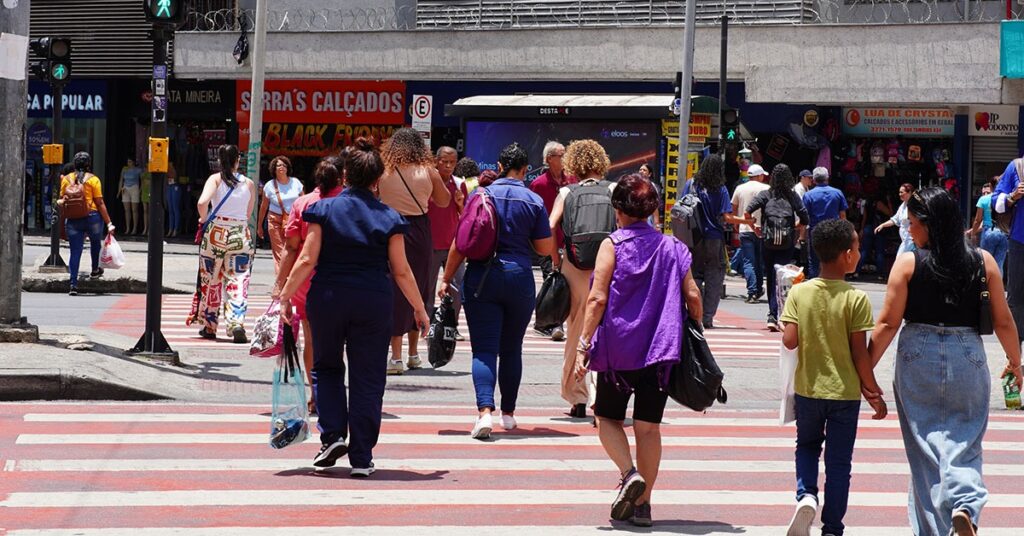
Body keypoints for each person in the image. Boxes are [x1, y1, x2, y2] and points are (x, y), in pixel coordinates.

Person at [869, 187, 1022, 536]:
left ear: (930, 224)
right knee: (965, 438)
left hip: (917, 355)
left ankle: (934, 529)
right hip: (967, 353)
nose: (909, 231)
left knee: (924, 448)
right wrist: (1016, 362)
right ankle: (965, 503)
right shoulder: (983, 261)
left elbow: (888, 323)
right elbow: (1003, 321)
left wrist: (863, 371)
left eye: (912, 223)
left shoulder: (908, 263)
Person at [279, 138, 429, 477]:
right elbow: (401, 271)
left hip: (328, 297)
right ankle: (361, 457)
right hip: (373, 301)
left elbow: (307, 258)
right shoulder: (389, 217)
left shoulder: (323, 210)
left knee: (327, 367)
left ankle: (332, 436)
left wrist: (284, 296)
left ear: (345, 175)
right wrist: (419, 309)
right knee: (368, 376)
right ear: (377, 180)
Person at [574, 173, 703, 528]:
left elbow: (597, 298)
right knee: (648, 429)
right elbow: (693, 296)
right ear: (651, 211)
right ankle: (644, 506)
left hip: (617, 353)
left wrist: (583, 344)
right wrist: (695, 326)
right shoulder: (673, 247)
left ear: (618, 209)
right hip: (659, 353)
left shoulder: (612, 245)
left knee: (606, 419)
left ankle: (629, 474)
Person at [438, 142, 555, 439]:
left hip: (482, 278)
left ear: (500, 167)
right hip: (519, 277)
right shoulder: (533, 200)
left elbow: (460, 243)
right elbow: (545, 248)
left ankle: (484, 413)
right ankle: (509, 414)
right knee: (512, 348)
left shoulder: (480, 195)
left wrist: (446, 278)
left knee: (484, 349)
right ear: (525, 170)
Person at [780, 218, 886, 536]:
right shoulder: (856, 298)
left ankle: (806, 496)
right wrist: (873, 391)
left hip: (808, 390)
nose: (858, 253)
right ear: (846, 255)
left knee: (807, 446)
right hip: (844, 395)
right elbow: (859, 353)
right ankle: (832, 527)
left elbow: (789, 341)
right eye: (857, 248)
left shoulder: (800, 292)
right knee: (839, 463)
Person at [273, 154, 346, 415]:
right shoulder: (349, 202)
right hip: (342, 280)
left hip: (307, 282)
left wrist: (281, 285)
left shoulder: (303, 203)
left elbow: (291, 248)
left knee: (312, 339)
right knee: (339, 341)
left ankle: (316, 395)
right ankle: (334, 393)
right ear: (342, 177)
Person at [548, 139, 616, 419]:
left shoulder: (566, 192)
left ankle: (577, 397)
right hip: (608, 266)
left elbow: (551, 225)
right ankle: (601, 396)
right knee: (604, 331)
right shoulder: (613, 189)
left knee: (576, 329)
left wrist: (555, 258)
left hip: (573, 266)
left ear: (573, 164)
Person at [378, 128, 452, 375]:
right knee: (419, 288)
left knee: (395, 291)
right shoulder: (427, 170)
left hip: (389, 228)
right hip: (419, 230)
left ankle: (395, 356)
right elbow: (444, 200)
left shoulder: (384, 170)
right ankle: (413, 354)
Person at [189, 144, 257, 344]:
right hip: (240, 233)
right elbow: (248, 213)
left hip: (215, 233)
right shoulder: (249, 184)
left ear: (219, 160)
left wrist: (203, 219)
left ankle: (209, 325)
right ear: (238, 160)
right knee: (238, 279)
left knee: (211, 279)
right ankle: (236, 323)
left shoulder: (215, 179)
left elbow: (202, 203)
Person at [745, 163, 808, 331]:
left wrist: (755, 228)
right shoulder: (793, 196)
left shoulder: (766, 194)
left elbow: (747, 212)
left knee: (771, 277)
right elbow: (805, 218)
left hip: (768, 241)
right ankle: (781, 314)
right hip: (786, 243)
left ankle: (772, 315)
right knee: (782, 277)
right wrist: (794, 227)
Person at [529, 141, 576, 341]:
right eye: (561, 155)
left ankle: (550, 321)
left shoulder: (572, 180)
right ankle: (555, 323)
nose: (565, 158)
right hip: (547, 241)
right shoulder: (538, 184)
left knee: (568, 283)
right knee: (553, 278)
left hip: (569, 240)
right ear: (549, 159)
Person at [682, 154, 733, 329]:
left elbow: (681, 207)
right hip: (714, 238)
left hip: (692, 237)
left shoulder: (691, 184)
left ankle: (694, 313)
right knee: (714, 278)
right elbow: (726, 216)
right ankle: (707, 317)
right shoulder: (721, 189)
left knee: (694, 275)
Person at [58, 152, 116, 296]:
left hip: (73, 219)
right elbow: (99, 202)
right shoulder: (94, 180)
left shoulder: (66, 179)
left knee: (75, 251)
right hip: (92, 217)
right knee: (95, 243)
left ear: (74, 164)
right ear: (89, 165)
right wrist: (109, 223)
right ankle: (95, 269)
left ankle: (73, 284)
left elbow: (62, 200)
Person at [427, 147, 468, 340]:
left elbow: (466, 216)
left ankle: (452, 326)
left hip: (453, 246)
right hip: (430, 244)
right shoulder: (427, 182)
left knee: (457, 288)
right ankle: (427, 325)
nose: (449, 165)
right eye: (445, 161)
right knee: (427, 289)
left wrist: (460, 204)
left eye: (452, 162)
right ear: (436, 161)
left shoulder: (459, 184)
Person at [994, 156, 1024, 366]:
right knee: (1016, 298)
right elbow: (996, 203)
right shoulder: (1017, 167)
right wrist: (1013, 195)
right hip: (1020, 241)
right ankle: (1014, 356)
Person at [730, 164, 769, 303]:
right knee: (759, 261)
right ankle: (757, 289)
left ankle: (752, 291)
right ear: (759, 176)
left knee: (748, 261)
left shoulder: (740, 188)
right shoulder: (767, 188)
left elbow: (734, 208)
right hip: (761, 229)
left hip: (745, 229)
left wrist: (736, 223)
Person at [257, 156, 304, 274]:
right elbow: (263, 207)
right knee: (280, 251)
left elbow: (304, 201)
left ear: (288, 168)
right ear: (274, 169)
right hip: (275, 221)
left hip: (294, 220)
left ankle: (288, 277)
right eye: (278, 165)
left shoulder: (296, 182)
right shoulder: (269, 186)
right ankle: (282, 280)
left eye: (284, 165)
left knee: (292, 250)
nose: (282, 167)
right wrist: (259, 225)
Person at [802, 167, 848, 278]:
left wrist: (802, 236)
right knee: (834, 259)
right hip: (834, 232)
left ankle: (814, 285)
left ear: (814, 180)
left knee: (814, 262)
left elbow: (805, 218)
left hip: (815, 232)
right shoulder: (837, 193)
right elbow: (843, 216)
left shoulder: (808, 195)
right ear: (827, 178)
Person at [968, 178, 1008, 275]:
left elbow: (978, 220)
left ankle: (985, 283)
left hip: (989, 232)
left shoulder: (983, 199)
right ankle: (997, 283)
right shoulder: (1006, 198)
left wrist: (973, 234)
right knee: (999, 264)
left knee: (985, 263)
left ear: (991, 186)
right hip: (1003, 233)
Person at [874, 183, 916, 256]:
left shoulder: (914, 206)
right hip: (905, 241)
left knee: (900, 259)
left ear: (909, 192)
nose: (899, 194)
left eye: (901, 192)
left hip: (912, 240)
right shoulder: (903, 205)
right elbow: (895, 220)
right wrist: (883, 225)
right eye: (899, 192)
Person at [118, 158, 142, 235]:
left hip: (134, 187)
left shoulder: (138, 170)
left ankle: (134, 228)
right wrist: (119, 190)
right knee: (126, 210)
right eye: (128, 162)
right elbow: (121, 180)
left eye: (130, 162)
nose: (128, 163)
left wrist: (140, 190)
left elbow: (142, 180)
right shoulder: (124, 169)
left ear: (133, 162)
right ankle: (128, 228)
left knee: (134, 209)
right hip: (125, 188)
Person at [638, 163, 662, 228]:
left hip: (647, 219)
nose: (641, 171)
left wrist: (656, 224)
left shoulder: (652, 186)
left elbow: (655, 206)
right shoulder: (634, 184)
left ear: (649, 174)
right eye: (640, 169)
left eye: (644, 170)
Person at [166, 159, 182, 237]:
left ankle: (176, 229)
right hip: (169, 187)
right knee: (170, 209)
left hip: (176, 187)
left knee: (175, 208)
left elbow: (178, 179)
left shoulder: (177, 169)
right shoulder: (166, 169)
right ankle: (170, 229)